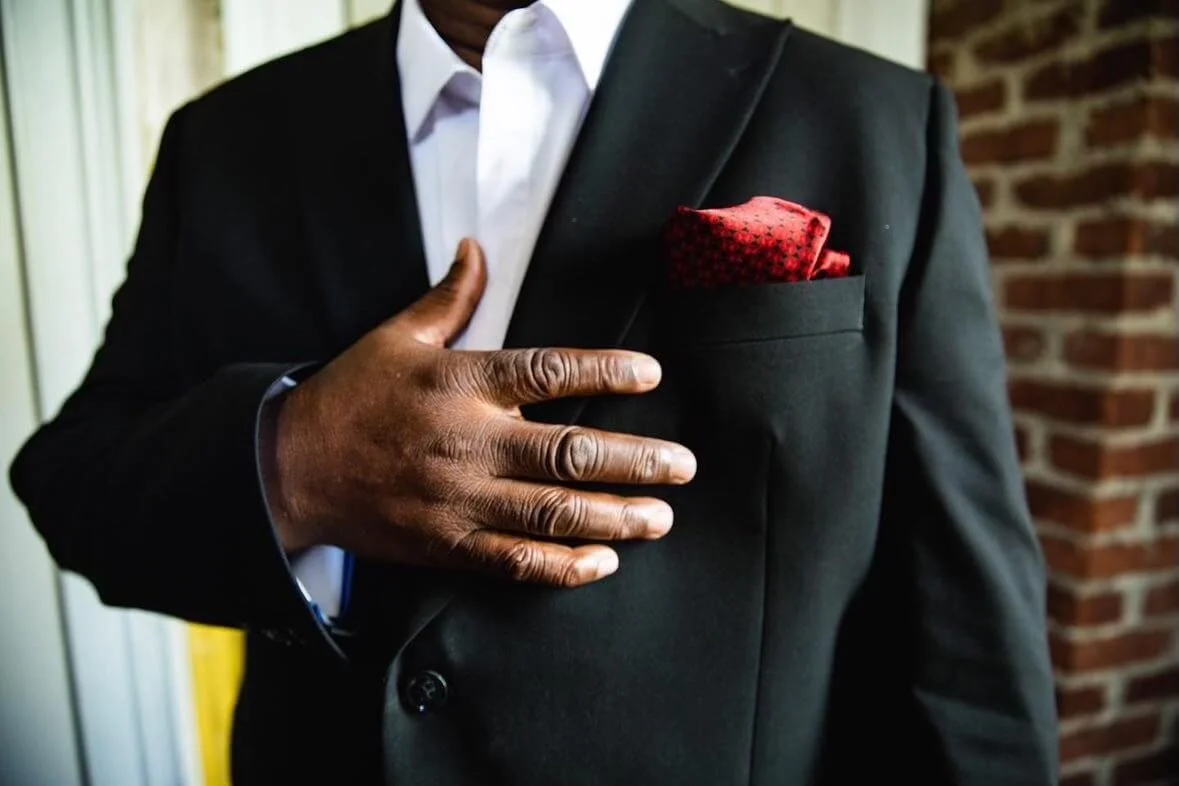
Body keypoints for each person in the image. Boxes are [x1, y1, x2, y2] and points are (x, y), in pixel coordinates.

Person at [9, 0, 1059, 783]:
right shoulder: (226, 139)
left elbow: (968, 641)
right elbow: (75, 482)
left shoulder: (869, 120)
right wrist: (291, 460)